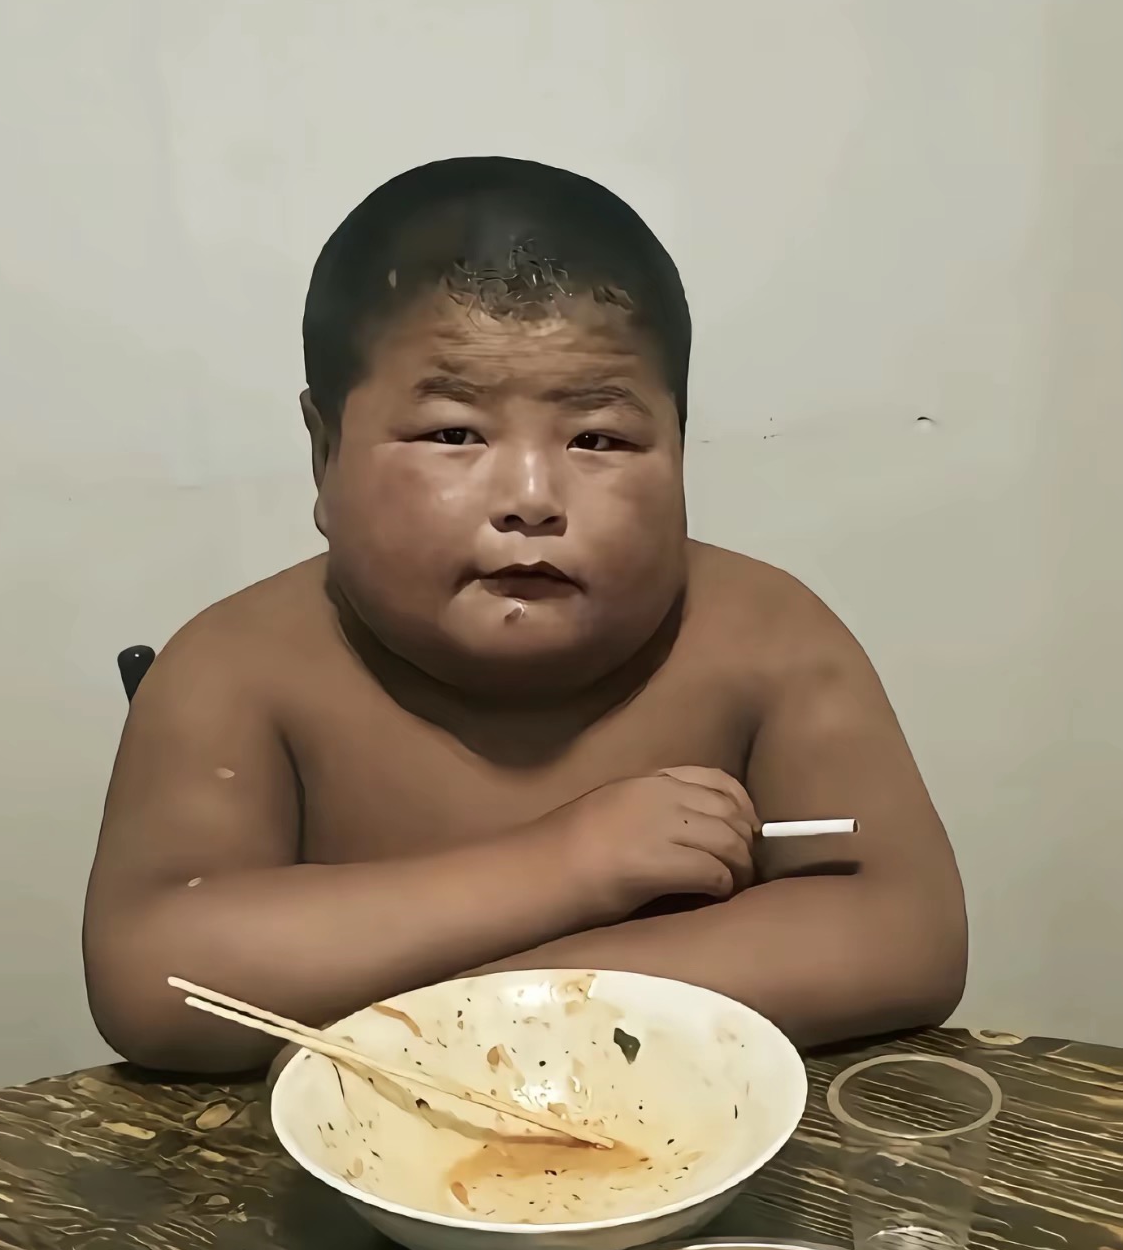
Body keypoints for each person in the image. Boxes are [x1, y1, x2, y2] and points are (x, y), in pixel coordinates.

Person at [83, 156, 966, 1073]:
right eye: (454, 433)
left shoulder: (766, 636)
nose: (532, 498)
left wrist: (482, 1012)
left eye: (599, 438)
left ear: (680, 445)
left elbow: (904, 932)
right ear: (324, 450)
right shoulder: (239, 667)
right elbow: (157, 978)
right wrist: (568, 864)